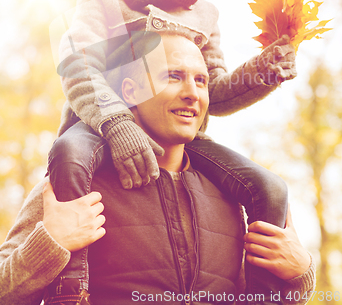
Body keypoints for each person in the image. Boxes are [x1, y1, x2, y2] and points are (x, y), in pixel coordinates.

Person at [49, 0, 297, 302]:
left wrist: (266, 68)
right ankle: (70, 289)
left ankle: (264, 294)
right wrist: (118, 124)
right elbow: (78, 65)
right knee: (68, 154)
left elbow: (212, 93)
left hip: (180, 135)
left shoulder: (202, 11)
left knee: (271, 189)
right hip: (101, 123)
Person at [0, 34, 315, 305]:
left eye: (201, 80)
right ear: (129, 91)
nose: (192, 93)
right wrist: (49, 244)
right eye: (174, 76)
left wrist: (300, 276)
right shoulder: (73, 190)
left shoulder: (232, 196)